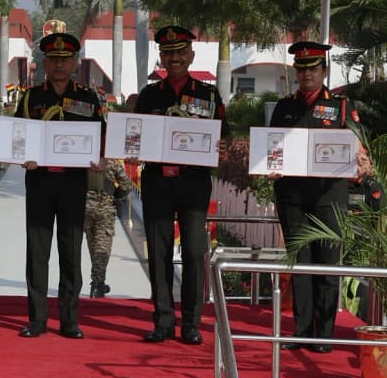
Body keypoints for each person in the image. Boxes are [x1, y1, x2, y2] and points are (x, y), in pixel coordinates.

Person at [269, 41, 371, 353]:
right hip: (293, 197)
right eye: (301, 69)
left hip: (329, 197)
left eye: (313, 68)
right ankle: (301, 331)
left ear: (323, 71)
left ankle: (324, 334)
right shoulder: (284, 108)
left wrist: (362, 160)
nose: (306, 74)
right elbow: (272, 148)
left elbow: (359, 146)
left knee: (327, 264)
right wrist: (269, 164)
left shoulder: (340, 106)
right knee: (300, 265)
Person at [135, 26, 228, 346]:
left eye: (180, 52)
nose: (174, 58)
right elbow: (135, 138)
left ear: (190, 55)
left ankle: (191, 323)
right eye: (168, 53)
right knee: (158, 252)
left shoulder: (208, 94)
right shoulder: (149, 95)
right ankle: (162, 320)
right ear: (161, 56)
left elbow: (222, 137)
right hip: (157, 181)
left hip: (193, 182)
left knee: (193, 251)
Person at [15, 32, 105, 339]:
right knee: (37, 252)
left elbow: (101, 139)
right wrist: (22, 157)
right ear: (45, 63)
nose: (58, 65)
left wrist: (99, 157)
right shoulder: (30, 98)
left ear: (75, 63)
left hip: (73, 183)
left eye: (65, 60)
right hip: (39, 182)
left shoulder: (89, 99)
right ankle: (37, 320)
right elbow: (18, 138)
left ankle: (69, 320)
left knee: (71, 250)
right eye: (53, 59)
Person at [84, 158, 132, 298]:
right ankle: (97, 284)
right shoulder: (112, 162)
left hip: (86, 209)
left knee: (93, 246)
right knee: (102, 248)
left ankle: (98, 281)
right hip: (104, 210)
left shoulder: (84, 159)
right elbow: (127, 185)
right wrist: (114, 196)